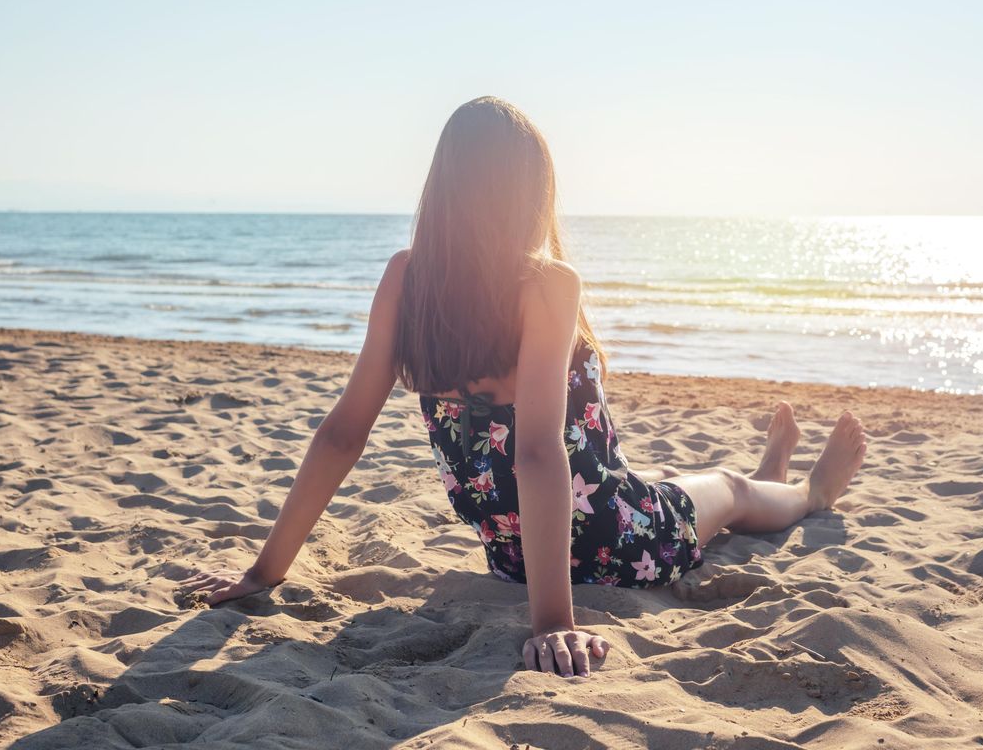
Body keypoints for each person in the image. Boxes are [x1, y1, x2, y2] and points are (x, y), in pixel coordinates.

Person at [180, 96, 867, 678]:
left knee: (661, 478)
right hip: (610, 547)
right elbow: (537, 451)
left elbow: (341, 433)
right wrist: (551, 623)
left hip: (515, 554)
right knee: (725, 487)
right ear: (531, 191)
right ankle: (807, 491)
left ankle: (767, 479)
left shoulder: (406, 279)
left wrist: (264, 572)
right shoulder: (546, 283)